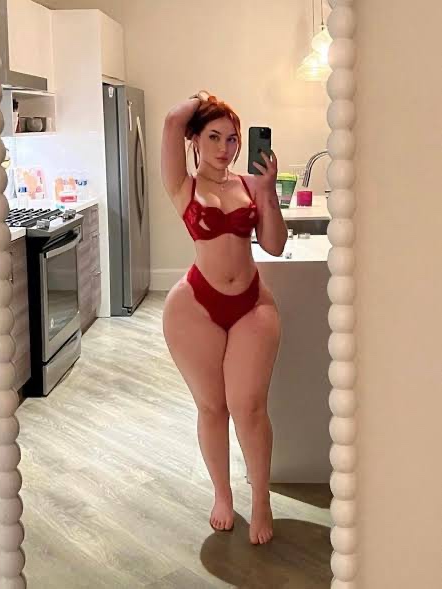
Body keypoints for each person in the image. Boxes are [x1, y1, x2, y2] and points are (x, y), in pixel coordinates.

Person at [161, 91, 288, 545]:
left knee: (249, 407)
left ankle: (261, 500)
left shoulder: (250, 185)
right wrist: (202, 100)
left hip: (251, 304)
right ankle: (222, 494)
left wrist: (268, 193)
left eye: (232, 138)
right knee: (212, 407)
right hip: (195, 306)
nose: (224, 148)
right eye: (213, 137)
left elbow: (274, 245)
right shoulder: (183, 185)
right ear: (195, 140)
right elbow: (172, 121)